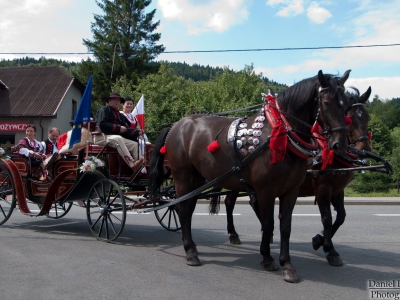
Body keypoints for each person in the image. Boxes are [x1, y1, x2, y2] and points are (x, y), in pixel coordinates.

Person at [94, 92, 144, 178]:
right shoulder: (104, 110)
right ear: (109, 101)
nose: (117, 101)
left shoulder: (120, 115)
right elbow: (102, 124)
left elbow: (126, 129)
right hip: (101, 137)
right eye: (114, 100)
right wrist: (118, 128)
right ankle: (132, 164)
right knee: (118, 138)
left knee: (134, 144)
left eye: (118, 100)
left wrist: (137, 132)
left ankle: (142, 164)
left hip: (113, 138)